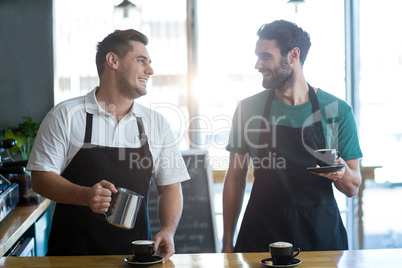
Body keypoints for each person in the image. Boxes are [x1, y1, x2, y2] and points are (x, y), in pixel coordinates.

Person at [27, 29, 190, 260]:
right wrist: (85, 196)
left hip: (135, 258)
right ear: (113, 60)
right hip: (71, 258)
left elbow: (171, 187)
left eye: (149, 63)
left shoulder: (156, 123)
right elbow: (41, 178)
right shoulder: (65, 115)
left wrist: (168, 231)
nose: (150, 70)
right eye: (141, 61)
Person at [221, 20, 363, 253]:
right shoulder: (248, 109)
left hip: (320, 239)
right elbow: (235, 176)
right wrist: (227, 241)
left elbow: (352, 187)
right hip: (261, 236)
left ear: (293, 55)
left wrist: (339, 170)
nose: (257, 64)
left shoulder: (337, 110)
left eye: (265, 56)